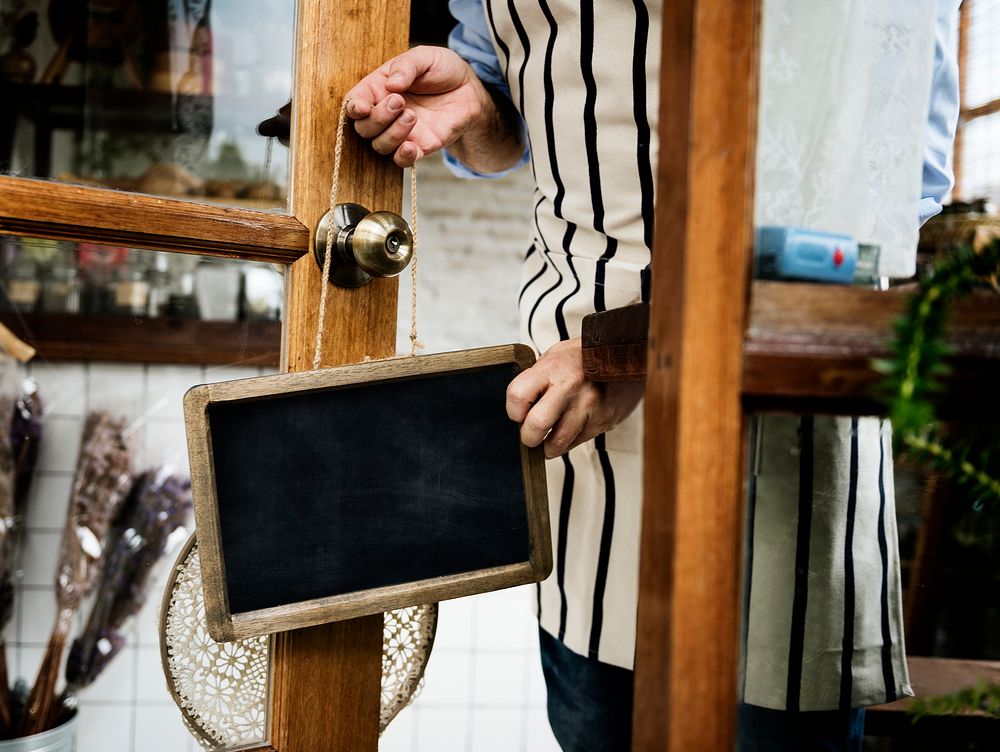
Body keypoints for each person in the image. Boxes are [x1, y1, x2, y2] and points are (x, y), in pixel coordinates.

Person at [345, 1, 961, 749]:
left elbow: (885, 194)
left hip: (776, 423)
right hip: (576, 435)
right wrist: (477, 106)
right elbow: (511, 127)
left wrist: (642, 348)